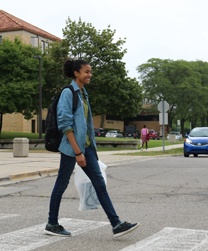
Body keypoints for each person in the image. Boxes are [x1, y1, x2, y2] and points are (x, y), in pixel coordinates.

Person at [44, 58, 140, 238]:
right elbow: (65, 125)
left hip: (86, 147)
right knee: (61, 185)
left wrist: (88, 150)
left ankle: (116, 224)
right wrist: (77, 152)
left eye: (90, 72)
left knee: (100, 185)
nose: (90, 75)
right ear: (76, 73)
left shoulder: (83, 93)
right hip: (71, 148)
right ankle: (52, 223)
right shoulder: (68, 92)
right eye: (86, 72)